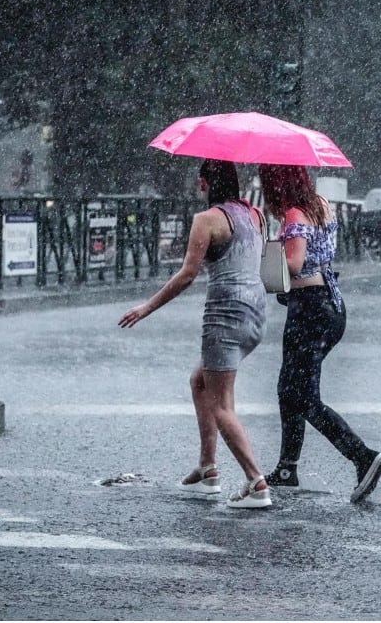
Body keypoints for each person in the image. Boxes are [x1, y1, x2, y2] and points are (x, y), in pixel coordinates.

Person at [117, 159, 272, 509]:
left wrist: (145, 308)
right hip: (255, 315)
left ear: (204, 184)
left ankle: (256, 481)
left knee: (221, 404)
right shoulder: (256, 216)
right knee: (200, 381)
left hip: (225, 316)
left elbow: (187, 274)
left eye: (198, 183)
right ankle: (207, 469)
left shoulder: (207, 220)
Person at [258, 163, 381, 504]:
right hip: (330, 306)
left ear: (275, 183)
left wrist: (265, 257)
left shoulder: (295, 215)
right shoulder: (321, 204)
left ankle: (362, 456)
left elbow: (295, 264)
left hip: (310, 310)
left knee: (304, 397)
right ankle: (287, 468)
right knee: (289, 388)